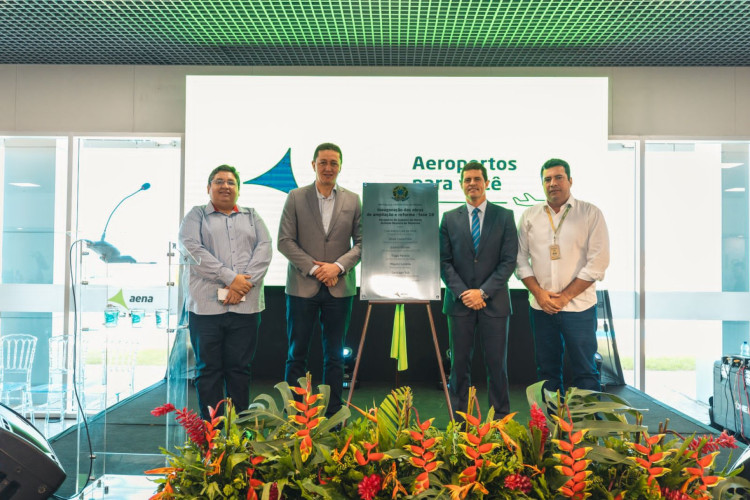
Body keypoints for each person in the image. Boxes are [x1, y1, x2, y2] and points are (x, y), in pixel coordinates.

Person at [179, 165, 272, 420]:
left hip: (245, 308)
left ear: (238, 189)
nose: (225, 186)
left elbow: (264, 251)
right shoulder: (196, 216)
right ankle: (212, 432)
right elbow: (192, 251)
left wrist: (243, 286)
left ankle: (239, 428)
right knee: (208, 370)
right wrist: (232, 279)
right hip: (206, 308)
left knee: (239, 369)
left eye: (231, 182)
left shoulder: (253, 216)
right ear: (208, 188)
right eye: (218, 181)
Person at [278, 142, 362, 417]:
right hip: (302, 287)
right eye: (323, 162)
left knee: (336, 357)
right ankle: (295, 415)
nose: (328, 168)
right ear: (313, 165)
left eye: (333, 163)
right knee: (296, 354)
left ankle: (334, 415)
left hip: (340, 287)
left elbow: (363, 243)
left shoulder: (353, 200)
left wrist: (337, 267)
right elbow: (284, 241)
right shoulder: (295, 197)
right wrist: (315, 270)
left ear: (340, 166)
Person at [516, 158, 610, 394]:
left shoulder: (590, 213)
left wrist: (564, 297)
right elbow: (519, 259)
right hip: (541, 308)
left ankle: (586, 428)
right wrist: (540, 294)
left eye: (558, 177)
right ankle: (550, 426)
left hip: (579, 308)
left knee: (586, 370)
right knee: (546, 373)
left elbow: (598, 262)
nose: (552, 183)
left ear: (570, 180)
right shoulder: (529, 216)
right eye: (547, 179)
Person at [440, 161, 518, 419]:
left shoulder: (505, 216)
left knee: (497, 367)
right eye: (467, 179)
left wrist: (482, 293)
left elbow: (508, 261)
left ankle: (500, 423)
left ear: (487, 182)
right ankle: (458, 423)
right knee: (459, 367)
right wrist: (465, 293)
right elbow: (444, 261)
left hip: (494, 304)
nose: (472, 183)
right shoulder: (449, 218)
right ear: (461, 184)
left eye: (476, 178)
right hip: (459, 304)